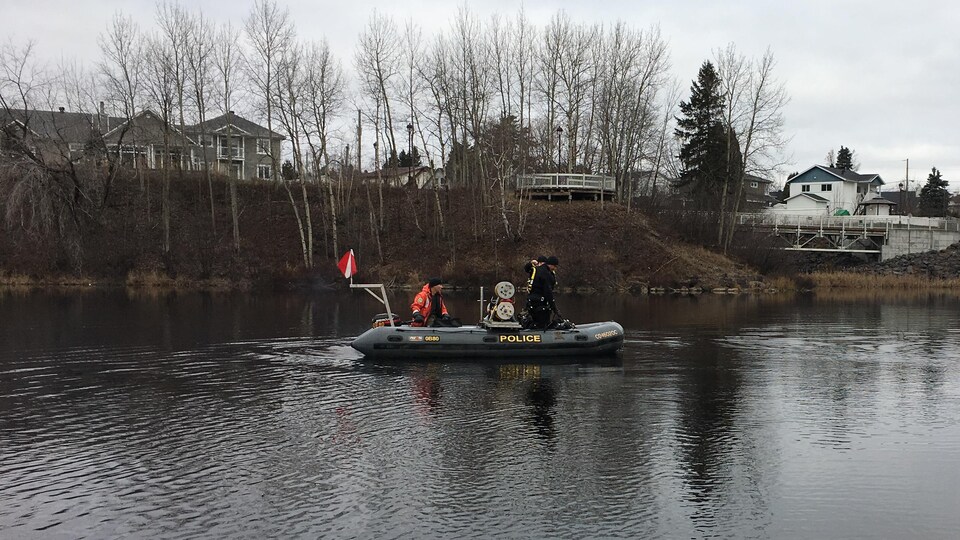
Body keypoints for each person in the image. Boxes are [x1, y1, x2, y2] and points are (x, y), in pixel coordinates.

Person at [526, 255, 559, 330]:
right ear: (550, 264)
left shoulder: (536, 270)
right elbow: (548, 292)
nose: (555, 268)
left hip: (531, 302)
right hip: (540, 304)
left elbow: (527, 269)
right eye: (554, 266)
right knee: (542, 325)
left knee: (535, 322)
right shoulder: (547, 274)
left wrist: (530, 263)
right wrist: (554, 308)